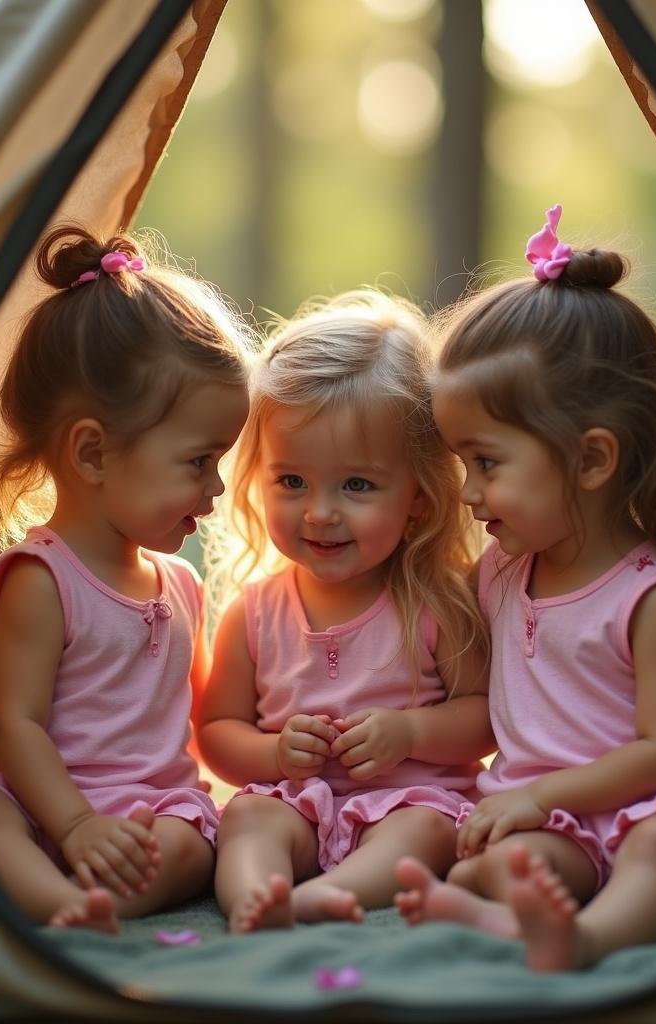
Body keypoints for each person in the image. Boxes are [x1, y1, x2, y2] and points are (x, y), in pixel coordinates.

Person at [394, 204, 656, 971]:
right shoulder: (506, 569)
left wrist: (539, 797)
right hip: (560, 825)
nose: (469, 493)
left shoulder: (651, 595)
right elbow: (434, 638)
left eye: (487, 463)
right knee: (490, 862)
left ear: (592, 459)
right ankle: (510, 916)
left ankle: (589, 940)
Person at [0, 225, 251, 932]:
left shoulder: (178, 584)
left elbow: (187, 724)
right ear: (93, 452)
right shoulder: (41, 578)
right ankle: (51, 899)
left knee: (193, 842)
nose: (215, 488)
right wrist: (77, 824)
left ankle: (107, 900)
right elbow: (13, 721)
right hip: (31, 796)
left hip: (141, 806)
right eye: (197, 461)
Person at [197, 289, 494, 932]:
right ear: (259, 477)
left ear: (418, 496)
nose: (320, 512)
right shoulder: (255, 612)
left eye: (356, 485)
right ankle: (257, 895)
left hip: (413, 802)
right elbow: (217, 731)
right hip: (297, 803)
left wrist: (411, 734)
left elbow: (487, 719)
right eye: (292, 481)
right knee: (247, 817)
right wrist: (274, 755)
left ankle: (335, 894)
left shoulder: (439, 602)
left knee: (426, 832)